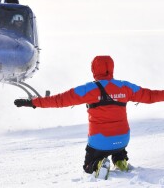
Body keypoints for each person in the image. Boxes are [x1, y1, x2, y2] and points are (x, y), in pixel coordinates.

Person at [14, 55, 164, 179]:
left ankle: (97, 165)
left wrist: (32, 102)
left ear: (94, 69)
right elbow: (151, 96)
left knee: (88, 167)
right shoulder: (125, 87)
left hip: (100, 141)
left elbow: (58, 100)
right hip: (123, 138)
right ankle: (120, 160)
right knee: (117, 143)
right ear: (111, 68)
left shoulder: (88, 89)